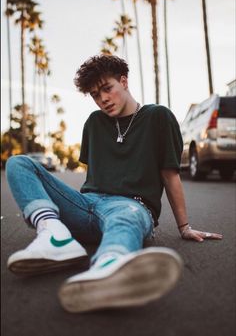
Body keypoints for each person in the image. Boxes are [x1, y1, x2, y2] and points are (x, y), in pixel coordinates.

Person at [6, 55, 222, 313]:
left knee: (125, 215)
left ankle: (108, 266)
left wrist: (184, 226)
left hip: (132, 206)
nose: (103, 99)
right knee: (18, 163)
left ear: (124, 81)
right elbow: (93, 176)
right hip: (87, 204)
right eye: (95, 95)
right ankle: (55, 236)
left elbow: (170, 174)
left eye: (107, 89)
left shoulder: (158, 117)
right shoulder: (94, 123)